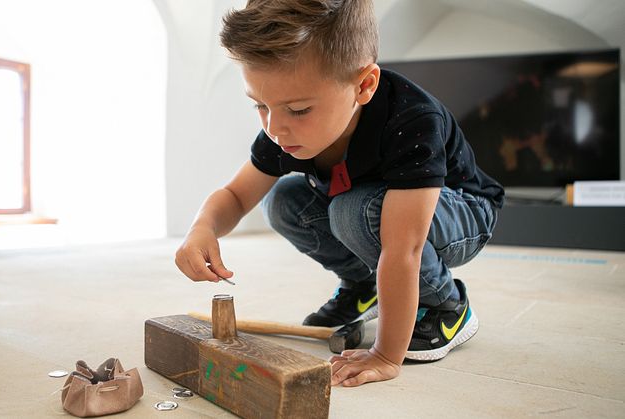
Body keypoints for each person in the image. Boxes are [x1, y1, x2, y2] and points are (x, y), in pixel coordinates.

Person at [174, 0, 504, 387]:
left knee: (356, 210)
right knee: (282, 200)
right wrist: (202, 228)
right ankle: (364, 287)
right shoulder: (281, 130)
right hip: (375, 211)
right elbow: (235, 195)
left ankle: (448, 304)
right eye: (260, 105)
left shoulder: (413, 119)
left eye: (298, 110)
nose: (275, 129)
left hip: (464, 212)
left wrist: (384, 355)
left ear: (363, 85)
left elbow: (404, 250)